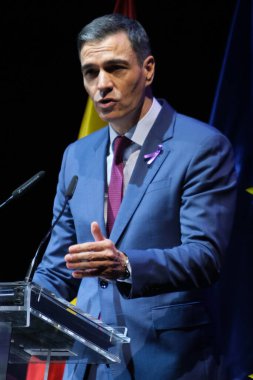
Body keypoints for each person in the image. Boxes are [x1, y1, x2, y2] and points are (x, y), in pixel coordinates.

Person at [33, 13, 237, 380]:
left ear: (148, 69)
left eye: (115, 68)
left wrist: (126, 266)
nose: (102, 85)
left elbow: (205, 255)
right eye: (90, 72)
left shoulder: (201, 147)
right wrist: (27, 310)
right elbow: (58, 265)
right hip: (89, 366)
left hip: (170, 362)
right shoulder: (76, 156)